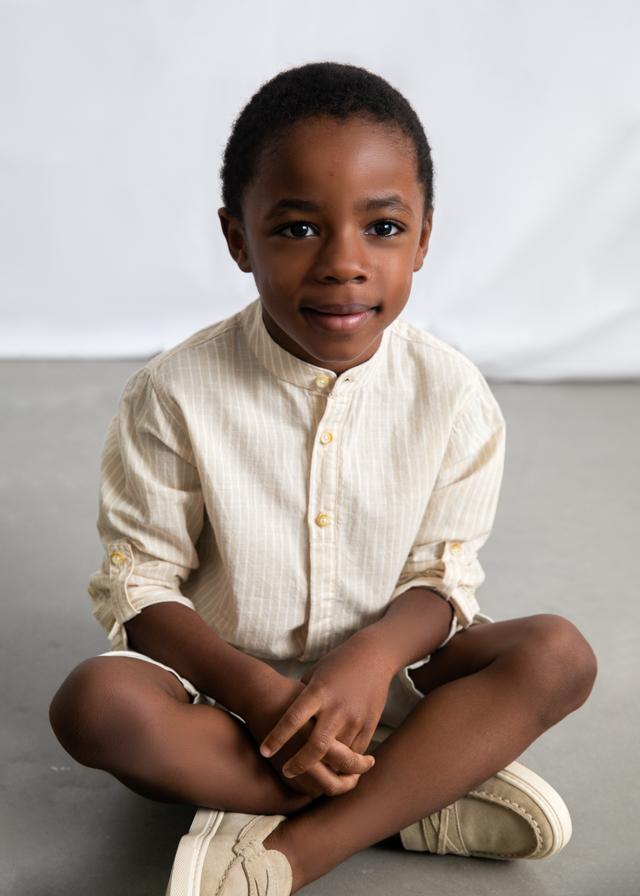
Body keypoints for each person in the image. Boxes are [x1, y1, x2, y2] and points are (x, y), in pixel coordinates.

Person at [49, 61, 598, 895]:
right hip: (224, 701)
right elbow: (142, 587)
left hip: (393, 685)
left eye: (383, 228)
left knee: (557, 655)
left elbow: (442, 578)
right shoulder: (174, 392)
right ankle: (413, 791)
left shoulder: (453, 394)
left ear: (423, 237)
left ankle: (295, 851)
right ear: (239, 239)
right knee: (94, 705)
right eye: (299, 228)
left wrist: (371, 660)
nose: (345, 263)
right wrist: (261, 697)